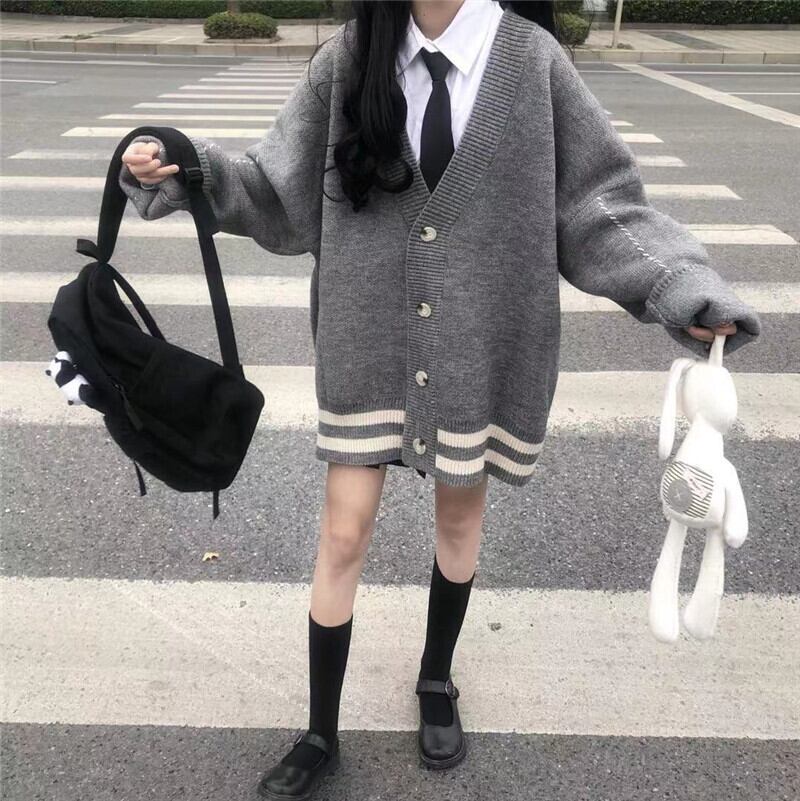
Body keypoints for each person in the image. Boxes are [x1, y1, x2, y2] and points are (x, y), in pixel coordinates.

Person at [117, 1, 760, 798]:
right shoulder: (351, 58)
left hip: (478, 349)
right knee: (343, 531)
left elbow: (599, 207)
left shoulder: (532, 62)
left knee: (459, 520)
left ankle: (435, 677)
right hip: (367, 344)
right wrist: (185, 166)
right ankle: (320, 730)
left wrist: (681, 286)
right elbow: (275, 189)